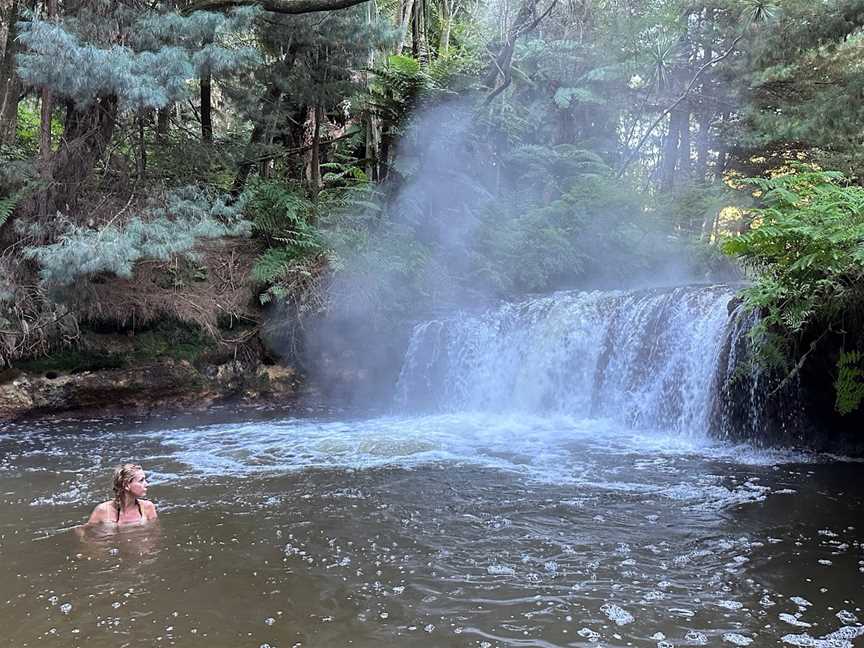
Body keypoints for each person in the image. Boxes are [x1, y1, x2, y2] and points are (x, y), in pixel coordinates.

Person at [84, 463, 158, 527]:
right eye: (141, 480)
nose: (147, 484)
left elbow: (155, 535)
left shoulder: (148, 507)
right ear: (126, 485)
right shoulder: (102, 510)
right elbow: (85, 533)